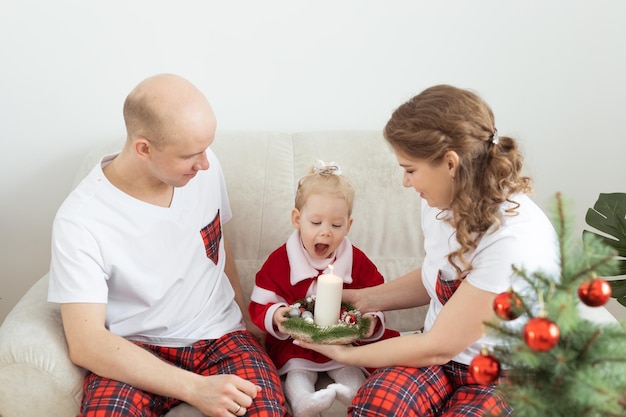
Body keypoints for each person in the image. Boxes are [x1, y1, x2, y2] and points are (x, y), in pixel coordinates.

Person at [294, 85, 560, 416]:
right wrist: (365, 298)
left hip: (501, 374)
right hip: (441, 361)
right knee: (375, 407)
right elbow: (436, 276)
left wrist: (345, 355)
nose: (406, 182)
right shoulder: (437, 202)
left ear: (450, 164)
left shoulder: (512, 241)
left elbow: (435, 348)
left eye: (410, 169)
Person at [48, 73, 289, 417]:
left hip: (222, 337)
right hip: (135, 351)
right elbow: (87, 344)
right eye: (191, 155)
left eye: (207, 149)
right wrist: (195, 388)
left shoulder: (204, 167)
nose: (205, 163)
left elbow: (218, 244)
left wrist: (247, 323)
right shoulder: (81, 220)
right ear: (144, 148)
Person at [248, 161, 400, 417]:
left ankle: (353, 395)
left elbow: (377, 296)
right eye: (316, 222)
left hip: (343, 342)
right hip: (297, 343)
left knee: (350, 365)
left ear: (349, 225)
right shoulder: (280, 260)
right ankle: (304, 401)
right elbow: (260, 301)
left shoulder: (356, 260)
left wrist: (373, 321)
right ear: (297, 219)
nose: (326, 233)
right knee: (297, 371)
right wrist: (276, 315)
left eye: (336, 225)